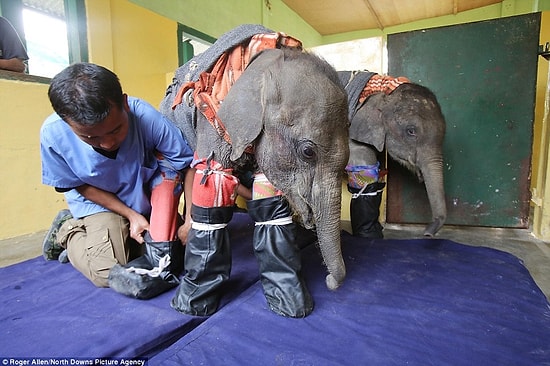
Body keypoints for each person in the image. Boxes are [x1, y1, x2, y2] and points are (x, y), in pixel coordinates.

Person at [40, 62, 194, 299]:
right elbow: (79, 185)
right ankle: (67, 230)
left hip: (142, 197)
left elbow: (187, 165)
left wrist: (191, 219)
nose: (108, 143)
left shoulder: (145, 116)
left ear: (124, 103)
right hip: (99, 203)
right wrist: (131, 216)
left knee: (171, 255)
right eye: (90, 137)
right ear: (66, 122)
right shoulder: (52, 134)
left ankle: (111, 236)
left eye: (116, 130)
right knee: (108, 272)